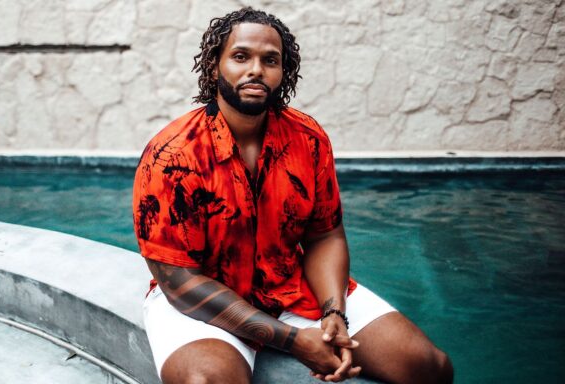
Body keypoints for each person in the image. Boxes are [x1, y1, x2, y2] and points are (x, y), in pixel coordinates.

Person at [132, 7, 453, 384]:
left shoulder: (307, 139)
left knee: (430, 367)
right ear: (214, 66)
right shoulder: (171, 156)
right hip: (204, 304)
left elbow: (324, 235)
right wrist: (296, 341)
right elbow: (178, 281)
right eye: (241, 56)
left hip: (289, 287)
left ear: (283, 72)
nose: (256, 70)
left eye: (270, 60)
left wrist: (334, 313)